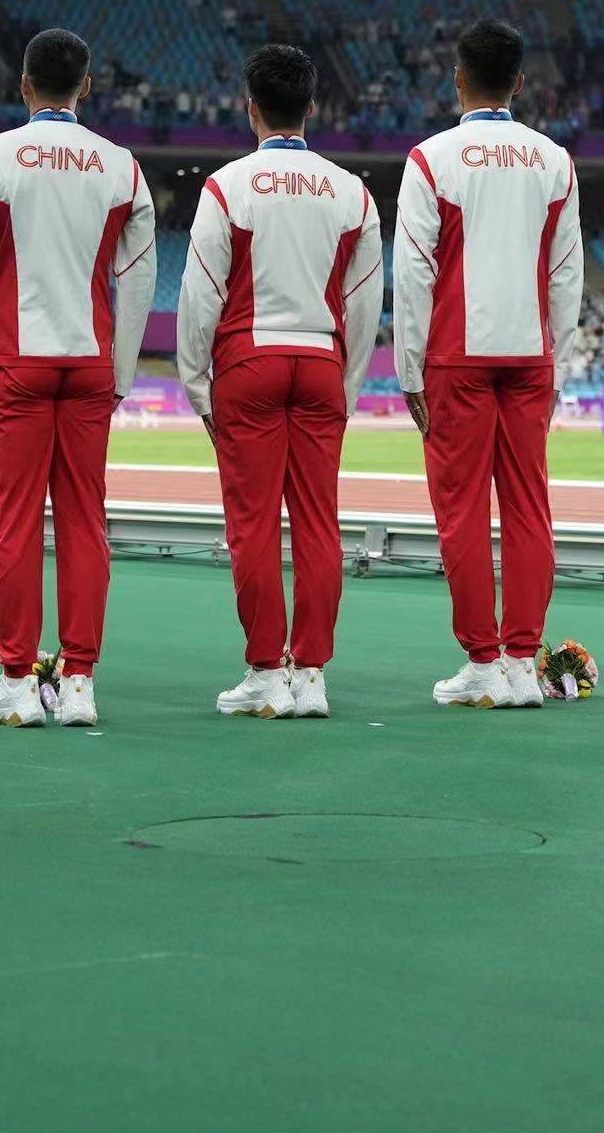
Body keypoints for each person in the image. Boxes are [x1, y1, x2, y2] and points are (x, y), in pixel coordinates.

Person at [0, 27, 156, 731]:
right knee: (86, 521)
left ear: (24, 85)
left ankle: (18, 683)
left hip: (15, 360)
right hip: (89, 362)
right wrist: (121, 374)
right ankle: (80, 681)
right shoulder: (121, 166)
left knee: (16, 523)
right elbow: (139, 277)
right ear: (86, 86)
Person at [176, 44, 382, 720]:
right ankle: (312, 674)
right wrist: (348, 387)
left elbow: (201, 293)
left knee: (253, 525)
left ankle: (267, 672)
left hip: (249, 362)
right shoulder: (351, 192)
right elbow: (365, 302)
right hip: (321, 362)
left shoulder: (226, 186)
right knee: (320, 522)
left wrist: (196, 383)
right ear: (311, 108)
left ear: (250, 109)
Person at [393, 18, 583, 711]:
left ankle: (482, 661)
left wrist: (409, 368)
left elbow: (413, 272)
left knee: (462, 510)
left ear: (457, 78)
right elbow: (567, 273)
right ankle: (523, 662)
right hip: (529, 354)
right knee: (530, 505)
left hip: (455, 356)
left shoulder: (430, 160)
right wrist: (557, 361)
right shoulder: (554, 161)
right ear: (520, 82)